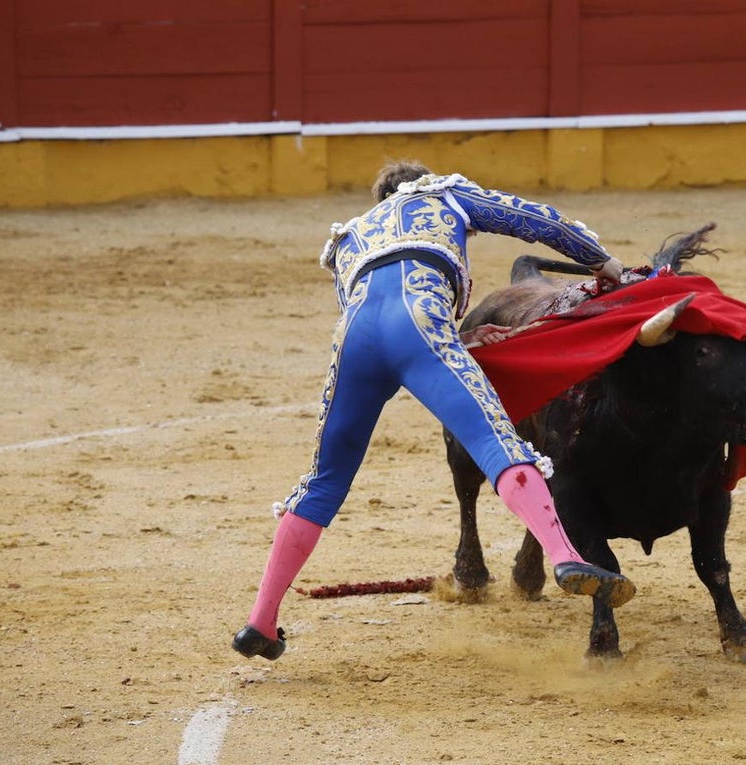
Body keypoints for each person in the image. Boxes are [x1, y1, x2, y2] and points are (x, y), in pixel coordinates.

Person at [232, 160, 636, 660]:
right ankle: (566, 556)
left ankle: (260, 622)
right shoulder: (443, 196)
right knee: (496, 442)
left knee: (323, 482)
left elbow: (377, 317)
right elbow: (536, 220)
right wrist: (605, 264)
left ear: (380, 199)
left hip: (354, 341)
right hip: (420, 321)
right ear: (424, 182)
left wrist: (458, 339)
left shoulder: (351, 237)